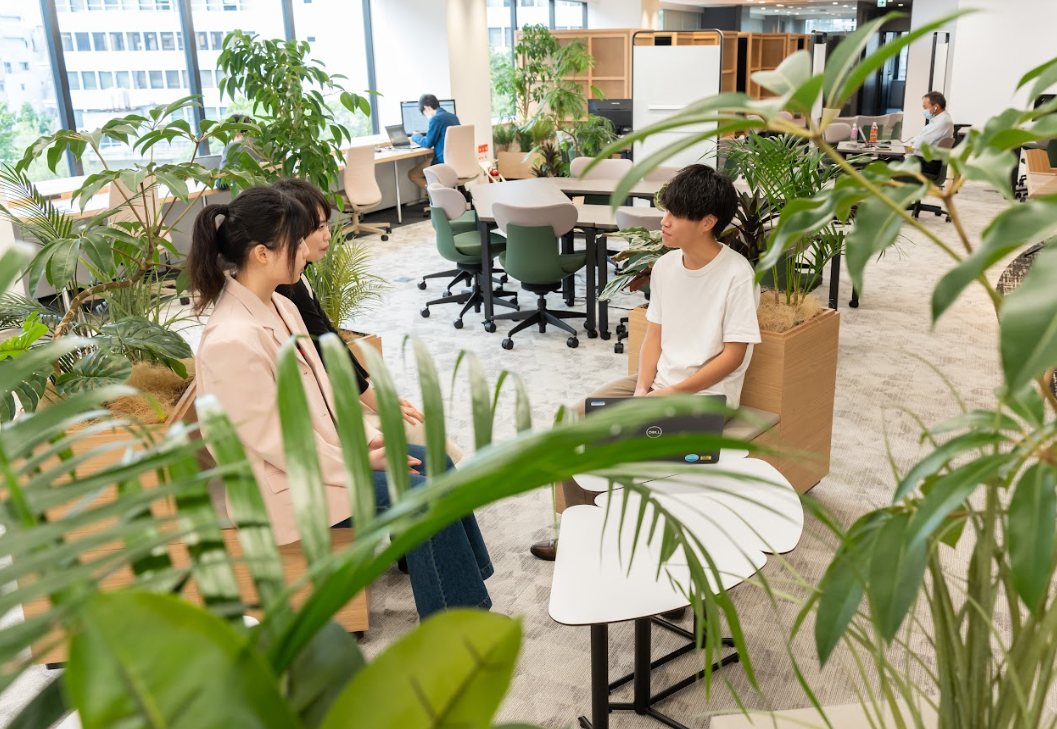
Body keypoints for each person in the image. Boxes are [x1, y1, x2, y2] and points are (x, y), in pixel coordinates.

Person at [187, 185, 492, 618]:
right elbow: (276, 443)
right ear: (261, 254)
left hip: (320, 461)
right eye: (297, 241)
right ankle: (455, 621)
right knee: (420, 494)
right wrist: (362, 463)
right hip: (285, 485)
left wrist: (366, 443)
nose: (307, 250)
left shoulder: (278, 304)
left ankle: (467, 592)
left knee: (435, 462)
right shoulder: (230, 340)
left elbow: (324, 398)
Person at [529, 164, 761, 561]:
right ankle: (581, 528)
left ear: (707, 222)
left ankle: (666, 566)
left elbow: (733, 357)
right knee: (571, 419)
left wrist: (664, 394)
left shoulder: (737, 275)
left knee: (639, 447)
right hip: (657, 385)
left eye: (674, 215)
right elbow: (654, 336)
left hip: (706, 396)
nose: (664, 221)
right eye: (665, 211)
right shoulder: (668, 266)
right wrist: (641, 390)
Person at [268, 178, 464, 462]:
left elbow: (329, 337)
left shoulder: (297, 277)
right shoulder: (288, 287)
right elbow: (325, 351)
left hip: (325, 388)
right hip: (316, 404)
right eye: (319, 227)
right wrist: (377, 401)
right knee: (412, 425)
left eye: (326, 225)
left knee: (408, 417)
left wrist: (370, 386)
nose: (327, 235)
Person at [406, 94, 461, 192]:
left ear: (426, 108)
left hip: (443, 161)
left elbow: (428, 143)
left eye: (424, 113)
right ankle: (440, 195)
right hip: (456, 160)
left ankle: (439, 194)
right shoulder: (453, 117)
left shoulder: (435, 119)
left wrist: (415, 136)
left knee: (413, 174)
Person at [910, 91, 954, 178]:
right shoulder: (939, 119)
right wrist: (915, 142)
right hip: (926, 162)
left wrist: (914, 143)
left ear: (936, 107)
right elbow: (919, 139)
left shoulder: (941, 123)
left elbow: (919, 144)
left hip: (927, 165)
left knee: (890, 164)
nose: (924, 111)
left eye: (925, 107)